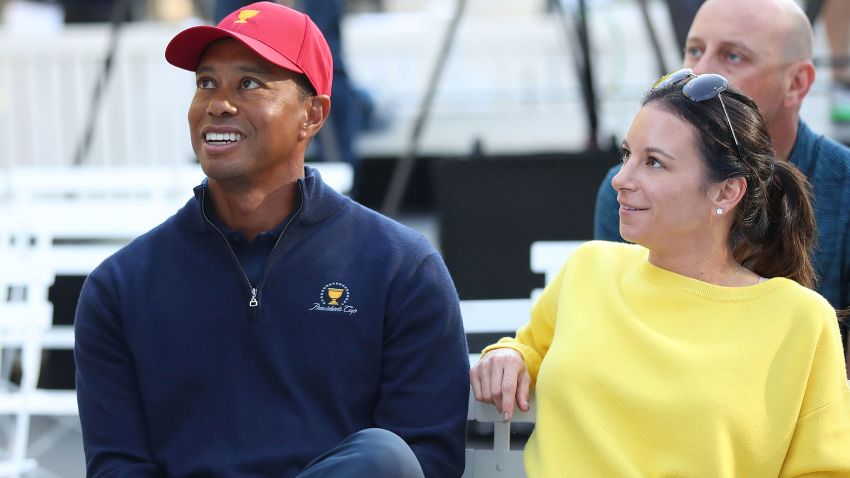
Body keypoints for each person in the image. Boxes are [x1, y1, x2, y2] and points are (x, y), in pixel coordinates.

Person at [73, 3, 469, 477]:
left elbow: (425, 461)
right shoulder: (119, 288)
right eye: (206, 83)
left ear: (313, 114)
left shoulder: (402, 269)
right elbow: (118, 466)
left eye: (249, 83)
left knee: (383, 457)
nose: (218, 103)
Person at [473, 70, 850, 476]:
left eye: (654, 163)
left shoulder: (801, 320)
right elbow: (528, 349)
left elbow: (823, 469)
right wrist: (506, 355)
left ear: (726, 191)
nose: (620, 179)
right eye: (626, 155)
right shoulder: (588, 268)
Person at [594, 0, 850, 369]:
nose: (698, 72)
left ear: (796, 83)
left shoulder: (842, 187)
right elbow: (621, 348)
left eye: (733, 56)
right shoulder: (628, 191)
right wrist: (514, 352)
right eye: (694, 49)